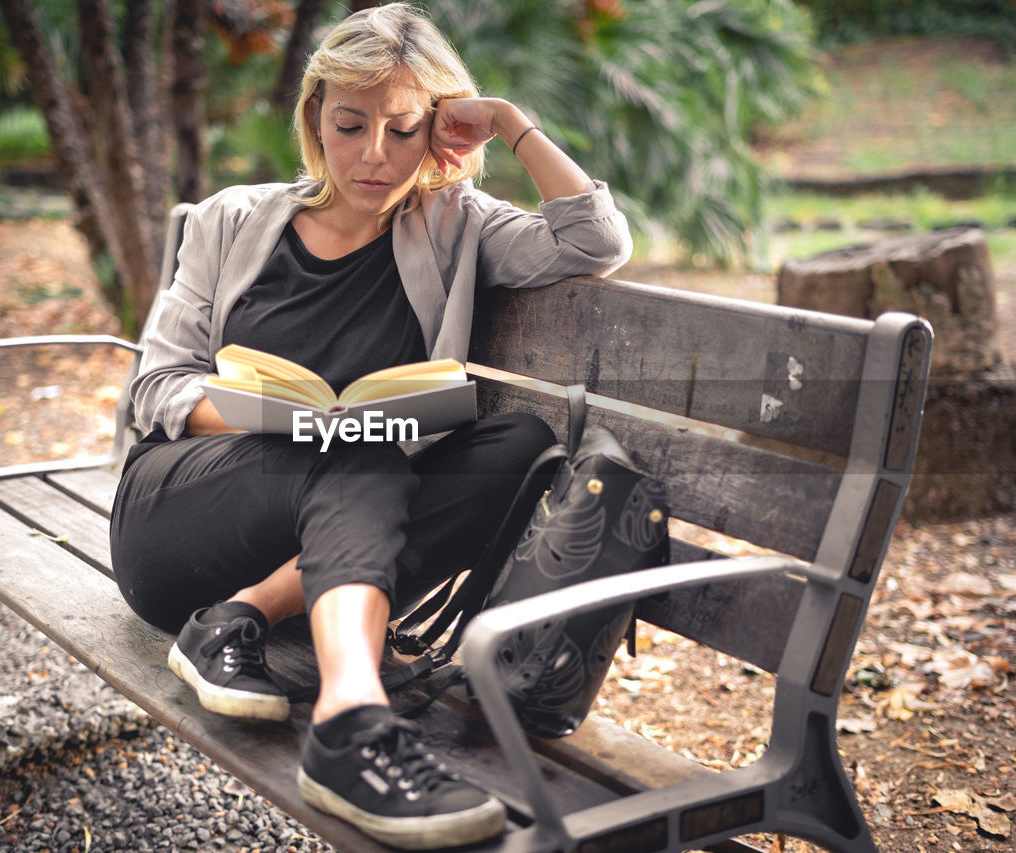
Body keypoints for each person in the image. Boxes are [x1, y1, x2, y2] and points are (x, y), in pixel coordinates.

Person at [109, 4, 632, 849]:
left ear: (437, 129)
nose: (375, 155)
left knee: (520, 448)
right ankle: (352, 720)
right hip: (180, 516)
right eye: (351, 125)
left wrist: (505, 120)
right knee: (356, 448)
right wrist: (279, 419)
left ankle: (242, 615)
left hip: (332, 521)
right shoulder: (232, 222)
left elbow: (596, 241)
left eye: (403, 128)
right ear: (315, 113)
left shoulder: (457, 224)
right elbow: (158, 387)